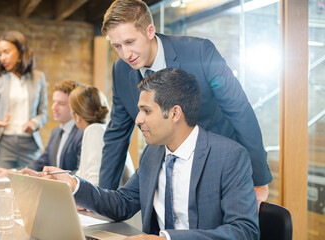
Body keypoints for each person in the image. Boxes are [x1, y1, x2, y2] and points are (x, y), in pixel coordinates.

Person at [42, 68, 260, 239]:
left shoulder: (229, 156)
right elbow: (122, 203)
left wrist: (167, 239)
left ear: (175, 113)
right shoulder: (153, 153)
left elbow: (244, 232)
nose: (137, 119)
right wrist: (73, 184)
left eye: (146, 111)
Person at [98, 0, 272, 205]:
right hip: (165, 177)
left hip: (218, 169)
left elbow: (239, 110)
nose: (125, 54)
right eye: (117, 46)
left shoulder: (200, 52)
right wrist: (102, 198)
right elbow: (117, 134)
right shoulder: (120, 70)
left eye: (130, 42)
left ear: (150, 31)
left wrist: (258, 180)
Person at [0, 30, 48, 168]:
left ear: (21, 51)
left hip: (30, 145)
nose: (2, 58)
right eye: (0, 54)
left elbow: (44, 113)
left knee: (33, 187)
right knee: (0, 186)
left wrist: (34, 122)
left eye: (6, 52)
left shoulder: (38, 77)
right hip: (3, 145)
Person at [0, 80, 83, 177]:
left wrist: (51, 178)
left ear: (75, 106)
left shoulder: (83, 133)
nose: (53, 107)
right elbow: (41, 163)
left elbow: (81, 173)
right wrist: (12, 173)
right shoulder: (56, 132)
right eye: (54, 102)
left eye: (61, 103)